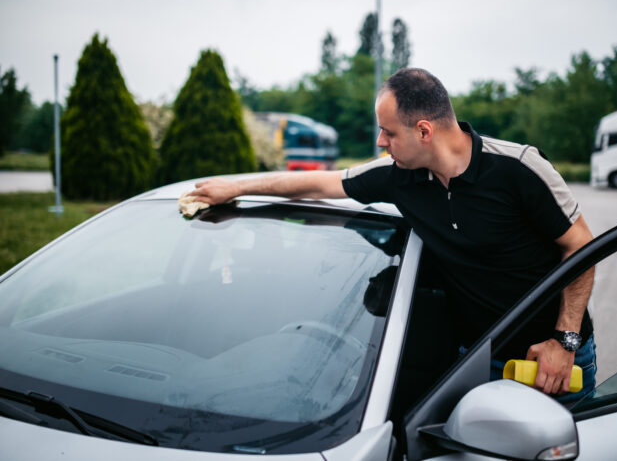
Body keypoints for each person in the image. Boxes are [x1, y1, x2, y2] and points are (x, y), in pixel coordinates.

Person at [191, 68, 596, 401]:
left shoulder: (519, 168)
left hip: (551, 365)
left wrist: (565, 342)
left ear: (424, 131)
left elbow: (580, 246)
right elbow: (318, 185)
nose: (381, 143)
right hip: (470, 363)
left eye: (388, 132)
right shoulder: (398, 177)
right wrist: (236, 187)